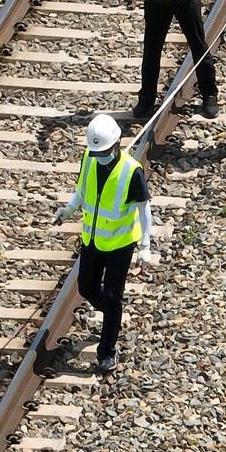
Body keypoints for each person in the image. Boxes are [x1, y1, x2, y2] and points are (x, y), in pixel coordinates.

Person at [53, 113, 154, 374]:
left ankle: (107, 351)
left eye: (105, 152)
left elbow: (144, 209)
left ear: (117, 144)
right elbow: (82, 190)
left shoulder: (131, 171)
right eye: (97, 152)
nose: (100, 156)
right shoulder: (90, 158)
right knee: (86, 287)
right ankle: (112, 314)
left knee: (112, 296)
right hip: (93, 239)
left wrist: (145, 246)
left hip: (120, 244)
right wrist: (68, 210)